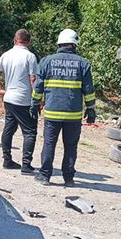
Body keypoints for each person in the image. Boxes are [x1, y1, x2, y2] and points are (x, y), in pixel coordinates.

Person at [30, 29, 96, 187]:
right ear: (74, 45)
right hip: (73, 115)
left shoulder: (46, 61)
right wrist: (91, 109)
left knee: (49, 143)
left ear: (59, 43)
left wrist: (34, 104)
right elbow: (88, 89)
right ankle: (68, 179)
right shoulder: (83, 63)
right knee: (71, 146)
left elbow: (38, 86)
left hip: (52, 113)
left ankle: (45, 176)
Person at [0, 29, 38, 174]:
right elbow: (33, 79)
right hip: (23, 99)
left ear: (15, 40)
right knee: (30, 132)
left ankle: (7, 159)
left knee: (9, 128)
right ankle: (26, 164)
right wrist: (38, 99)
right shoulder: (30, 57)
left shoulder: (7, 54)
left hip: (9, 98)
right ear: (28, 42)